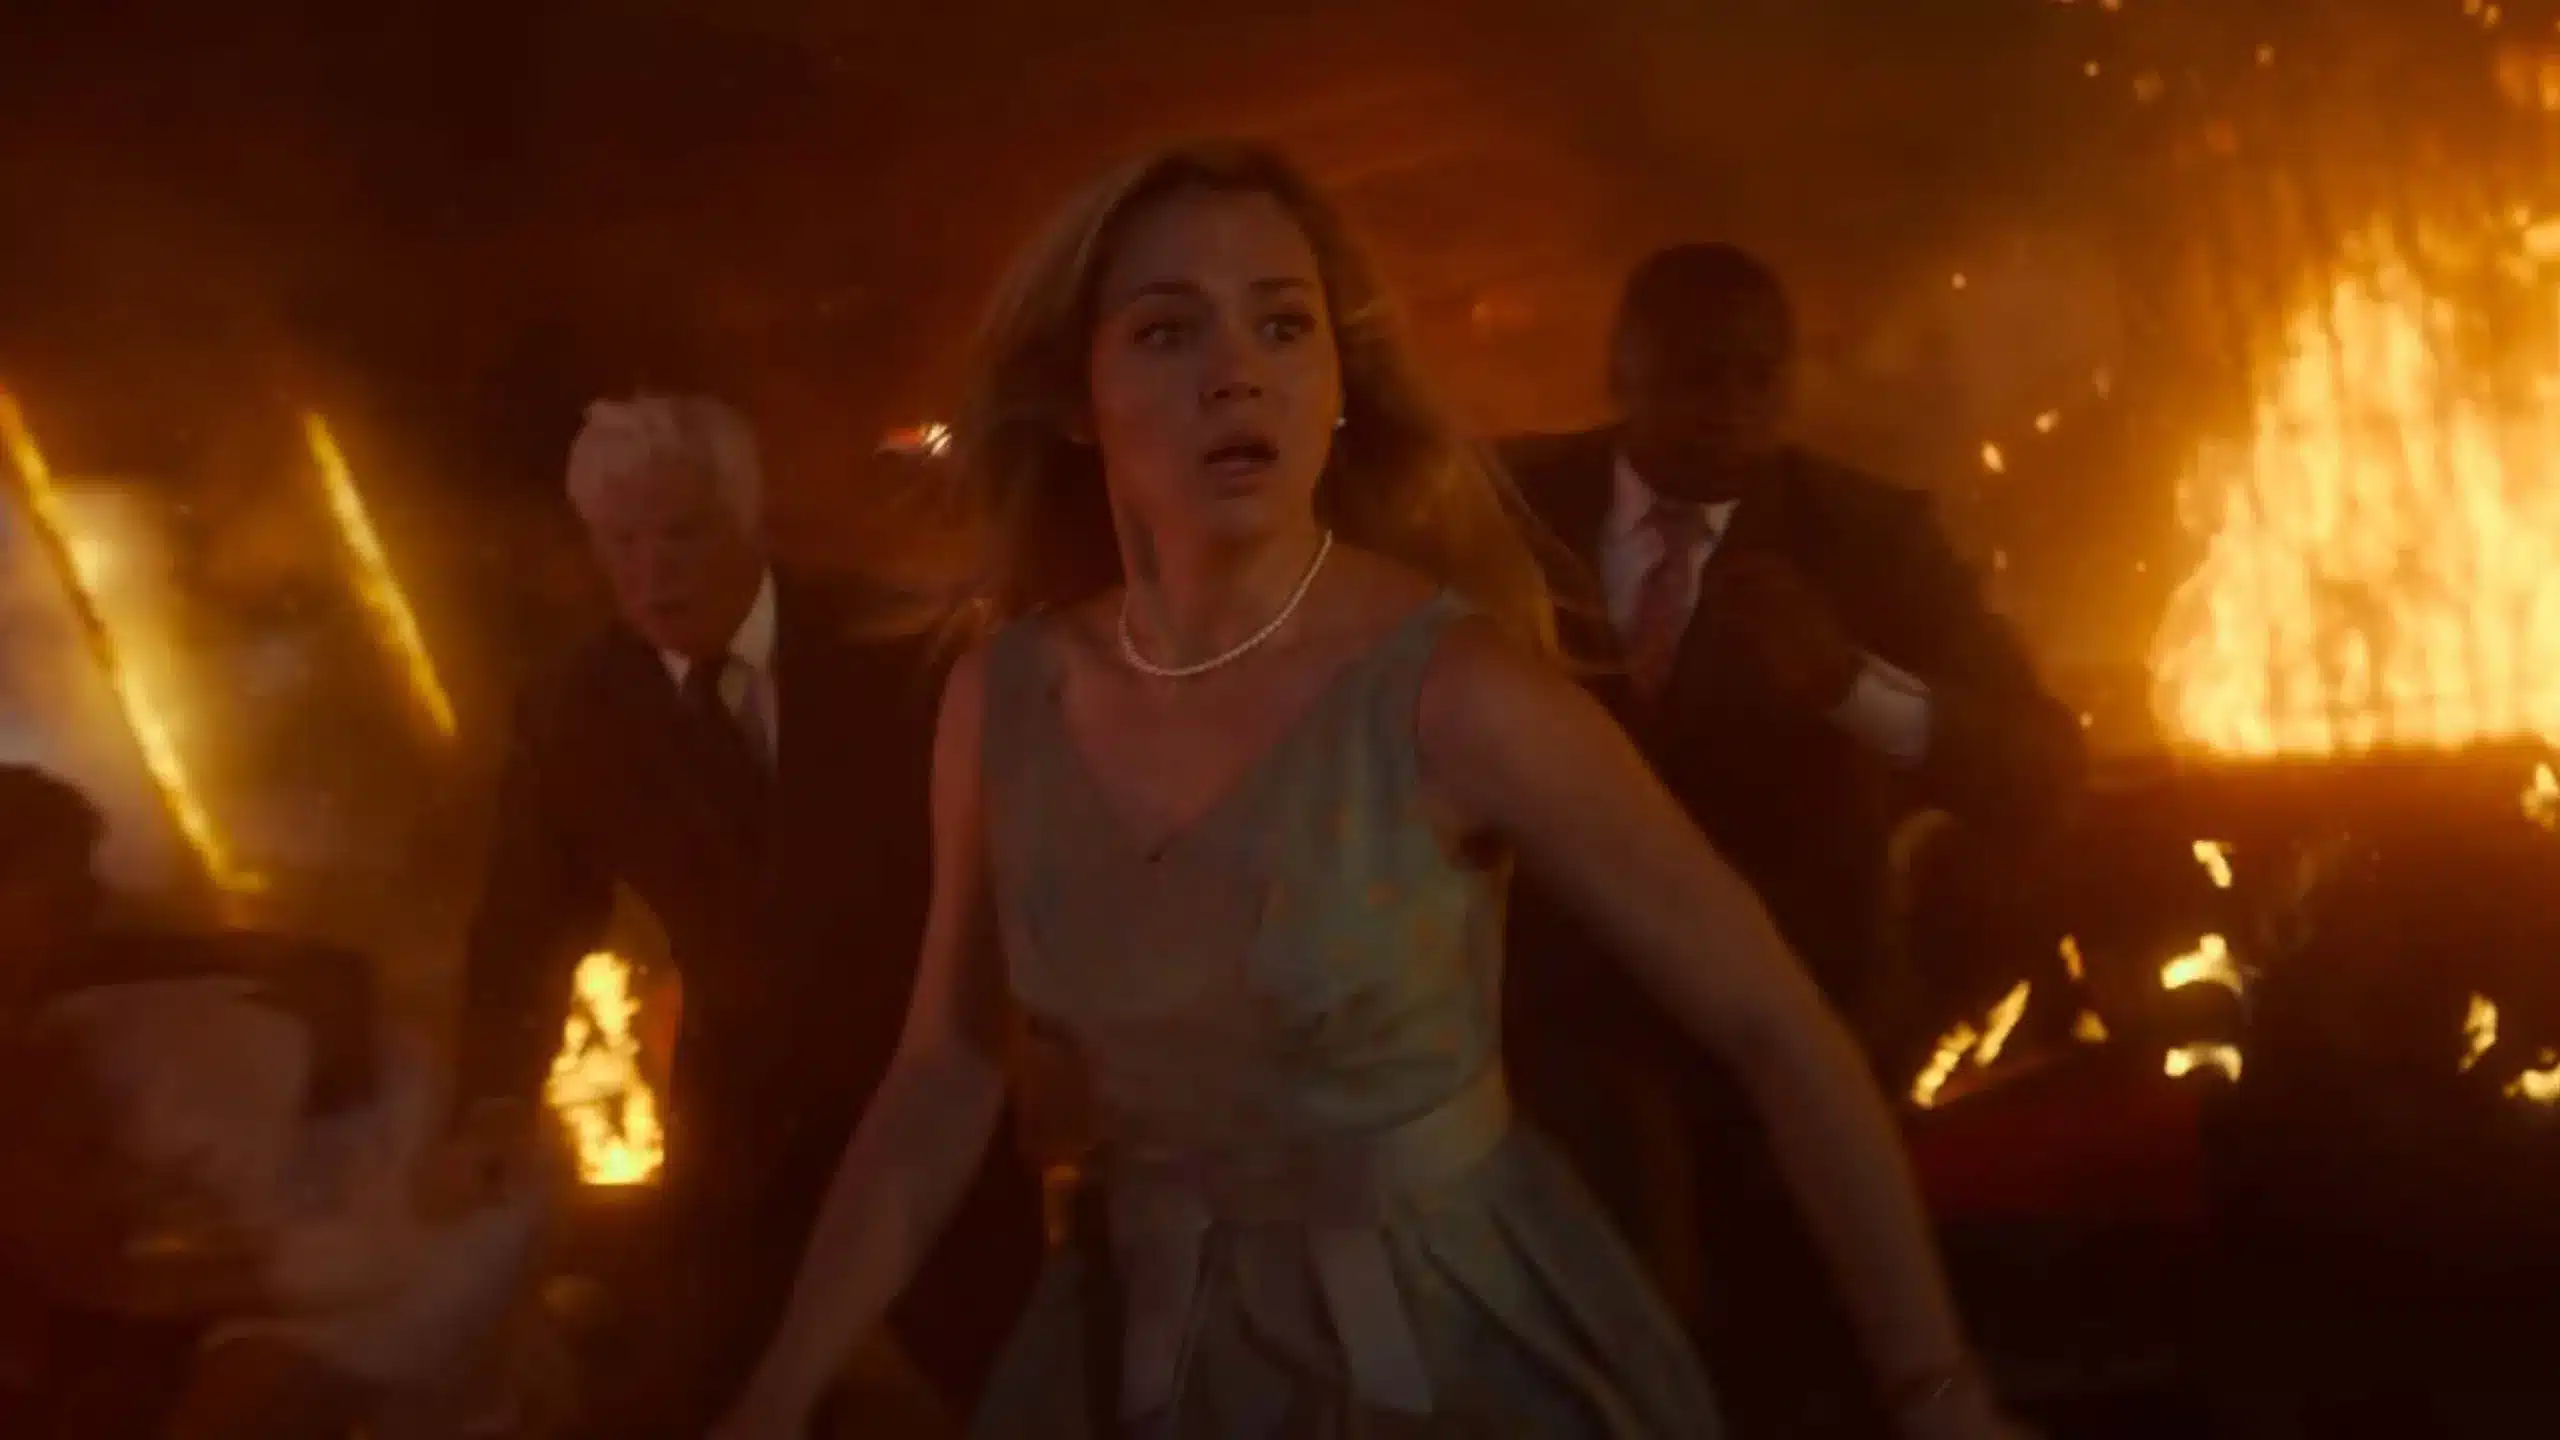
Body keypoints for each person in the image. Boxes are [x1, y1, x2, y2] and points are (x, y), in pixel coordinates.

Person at [711, 141, 2027, 1440]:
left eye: (1283, 325)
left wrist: (1938, 1394)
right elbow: (945, 1070)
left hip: (1443, 1356)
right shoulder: (1004, 700)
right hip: (1142, 1356)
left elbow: (1774, 1026)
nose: (1239, 371)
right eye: (1170, 331)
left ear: (1338, 385)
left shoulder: (1454, 691)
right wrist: (774, 1398)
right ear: (1074, 395)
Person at [1501, 243, 2085, 1436]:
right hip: (1557, 1069)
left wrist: (1848, 686)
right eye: (1695, 372)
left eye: (1757, 375)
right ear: (1620, 368)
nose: (1728, 402)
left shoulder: (1864, 539)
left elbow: (2036, 769)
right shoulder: (1499, 507)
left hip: (1803, 1064)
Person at [452, 398, 1038, 1436]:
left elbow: (1030, 852)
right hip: (744, 1127)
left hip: (930, 1096)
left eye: (681, 534)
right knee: (698, 1400)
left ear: (747, 521)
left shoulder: (901, 649)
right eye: (621, 542)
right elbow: (528, 919)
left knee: (1027, 1393)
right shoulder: (576, 709)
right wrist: (496, 1091)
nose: (652, 571)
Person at [0, 764, 546, 1439]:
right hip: (347, 1232)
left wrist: (326, 1147)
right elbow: (105, 1272)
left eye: (81, 877)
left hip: (419, 1180)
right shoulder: (35, 1070)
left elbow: (332, 975)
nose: (89, 898)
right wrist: (323, 1248)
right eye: (56, 887)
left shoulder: (100, 963)